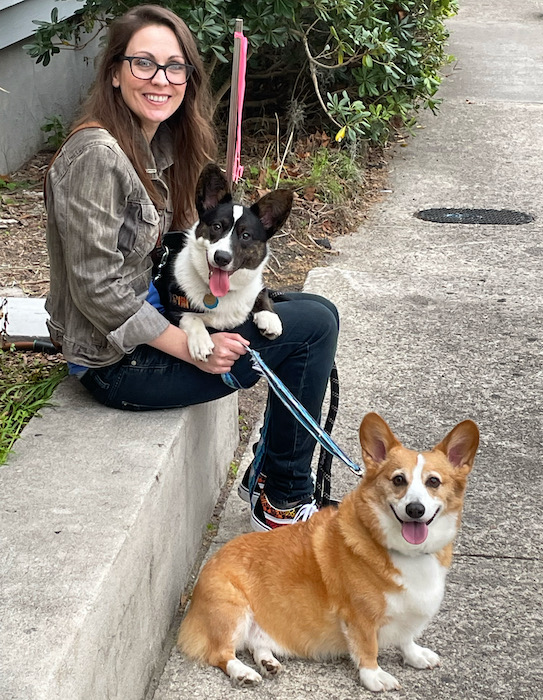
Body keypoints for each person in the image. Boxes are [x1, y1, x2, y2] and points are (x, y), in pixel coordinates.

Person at [44, 5, 339, 531]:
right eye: (143, 64)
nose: (160, 79)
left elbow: (190, 249)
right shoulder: (97, 155)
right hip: (116, 366)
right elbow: (97, 289)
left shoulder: (150, 144)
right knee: (313, 329)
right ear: (114, 72)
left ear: (188, 77)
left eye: (174, 66)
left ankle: (274, 480)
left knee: (312, 309)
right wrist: (189, 347)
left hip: (158, 323)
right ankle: (282, 496)